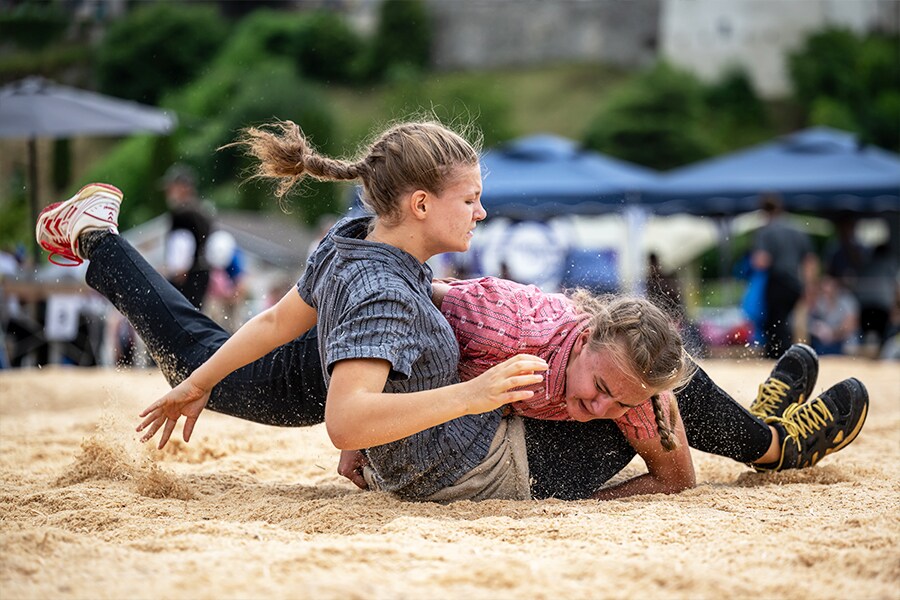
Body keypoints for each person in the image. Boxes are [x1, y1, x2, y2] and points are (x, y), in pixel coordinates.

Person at [34, 124, 868, 500]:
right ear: (424, 201)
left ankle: (765, 436)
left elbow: (281, 319)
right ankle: (95, 239)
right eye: (471, 199)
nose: (482, 214)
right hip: (334, 375)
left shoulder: (362, 242)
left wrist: (201, 382)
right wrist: (202, 385)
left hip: (347, 356)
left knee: (626, 369)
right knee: (190, 353)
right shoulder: (387, 286)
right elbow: (345, 406)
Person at [751, 192, 817, 359]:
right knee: (790, 322)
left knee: (775, 323)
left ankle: (778, 357)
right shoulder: (797, 229)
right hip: (795, 283)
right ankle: (793, 354)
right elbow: (810, 260)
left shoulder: (766, 231)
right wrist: (809, 286)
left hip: (777, 281)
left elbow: (761, 261)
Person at [161, 164, 212, 310]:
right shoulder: (202, 210)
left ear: (183, 187)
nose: (168, 193)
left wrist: (175, 272)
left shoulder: (182, 214)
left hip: (186, 278)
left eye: (171, 188)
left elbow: (182, 248)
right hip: (201, 275)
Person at [807, 275, 860, 355]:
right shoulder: (820, 302)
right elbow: (808, 318)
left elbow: (850, 326)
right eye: (823, 286)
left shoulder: (847, 300)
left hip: (844, 344)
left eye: (828, 285)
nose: (826, 289)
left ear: (836, 285)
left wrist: (832, 334)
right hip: (825, 345)